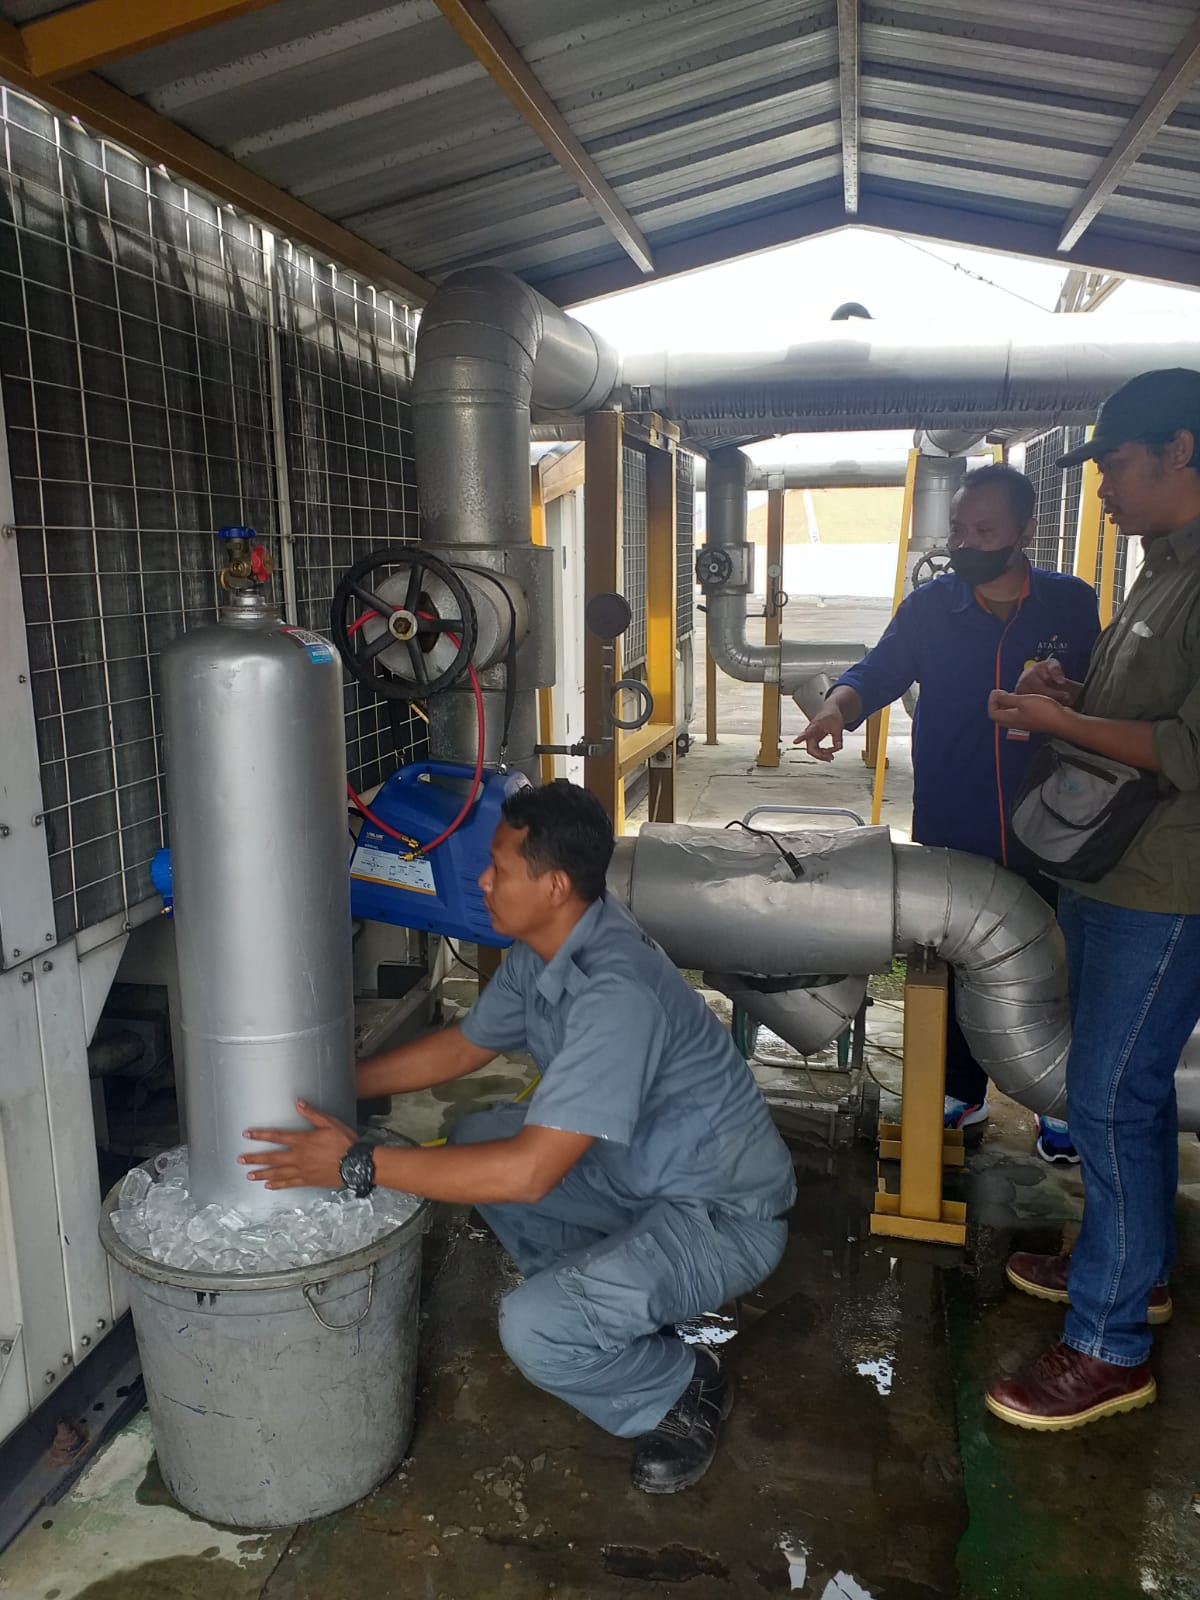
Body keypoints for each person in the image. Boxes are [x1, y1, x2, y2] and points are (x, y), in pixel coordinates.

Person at [241, 780, 796, 1492]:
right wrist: (337, 1082)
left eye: (498, 867)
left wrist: (358, 1164)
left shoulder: (613, 992)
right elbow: (464, 1048)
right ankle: (608, 1306)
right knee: (479, 1132)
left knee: (532, 1326)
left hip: (719, 1217)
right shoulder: (547, 947)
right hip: (635, 1178)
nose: (482, 879)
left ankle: (681, 1386)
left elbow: (527, 1175)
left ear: (555, 884)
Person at [984, 369, 1200, 1431]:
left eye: (1114, 464)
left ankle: (1110, 1346)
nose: (1104, 487)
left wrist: (1056, 725)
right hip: (1112, 869)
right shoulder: (1160, 569)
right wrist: (1073, 699)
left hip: (1167, 888)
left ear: (1181, 452)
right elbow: (1144, 713)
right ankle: (1135, 1270)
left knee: (1111, 1098)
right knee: (1129, 1093)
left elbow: (1187, 751)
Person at [795, 463, 1100, 1155]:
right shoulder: (932, 608)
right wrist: (834, 712)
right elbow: (875, 672)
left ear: (1026, 530)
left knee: (1060, 956)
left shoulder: (1070, 605)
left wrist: (1066, 693)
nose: (967, 543)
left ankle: (1061, 1101)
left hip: (1058, 823)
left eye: (985, 530)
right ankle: (960, 1094)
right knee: (960, 956)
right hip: (955, 820)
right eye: (959, 529)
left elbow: (1107, 692)